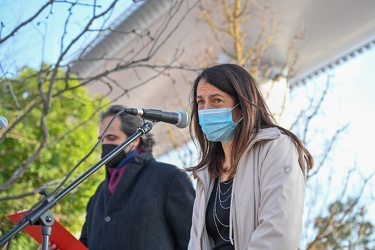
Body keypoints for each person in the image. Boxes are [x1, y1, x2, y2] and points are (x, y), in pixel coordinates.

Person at [187, 63, 313, 249]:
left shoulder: (276, 147)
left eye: (217, 100)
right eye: (200, 102)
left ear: (242, 105)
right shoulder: (206, 172)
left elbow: (278, 232)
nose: (206, 110)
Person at [40, 104, 195, 250]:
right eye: (102, 139)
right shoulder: (98, 195)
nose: (105, 144)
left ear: (135, 139)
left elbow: (194, 241)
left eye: (112, 138)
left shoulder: (169, 178)